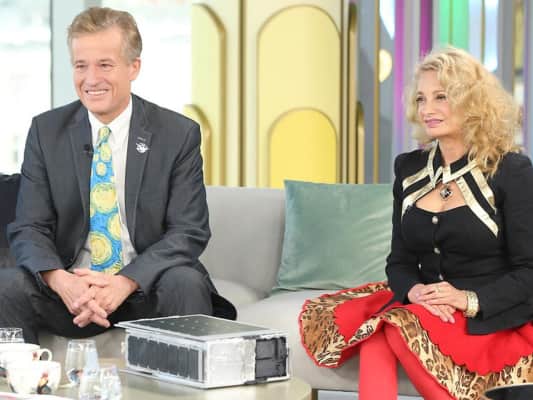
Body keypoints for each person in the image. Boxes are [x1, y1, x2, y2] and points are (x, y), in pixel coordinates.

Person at [299, 47, 533, 399]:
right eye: (421, 99)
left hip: (487, 312)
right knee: (384, 328)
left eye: (441, 97)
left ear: (472, 102)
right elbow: (399, 261)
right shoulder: (409, 169)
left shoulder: (511, 171)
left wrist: (465, 299)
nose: (427, 109)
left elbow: (528, 270)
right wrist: (414, 291)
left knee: (392, 327)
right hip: (426, 308)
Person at [0, 6, 235, 344]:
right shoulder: (46, 131)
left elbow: (189, 231)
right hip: (71, 290)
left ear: (133, 67)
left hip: (144, 286)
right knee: (7, 286)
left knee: (185, 282)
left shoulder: (177, 134)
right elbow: (29, 227)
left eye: (105, 65)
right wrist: (63, 282)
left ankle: (181, 380)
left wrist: (125, 282)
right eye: (81, 65)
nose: (91, 79)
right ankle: (26, 378)